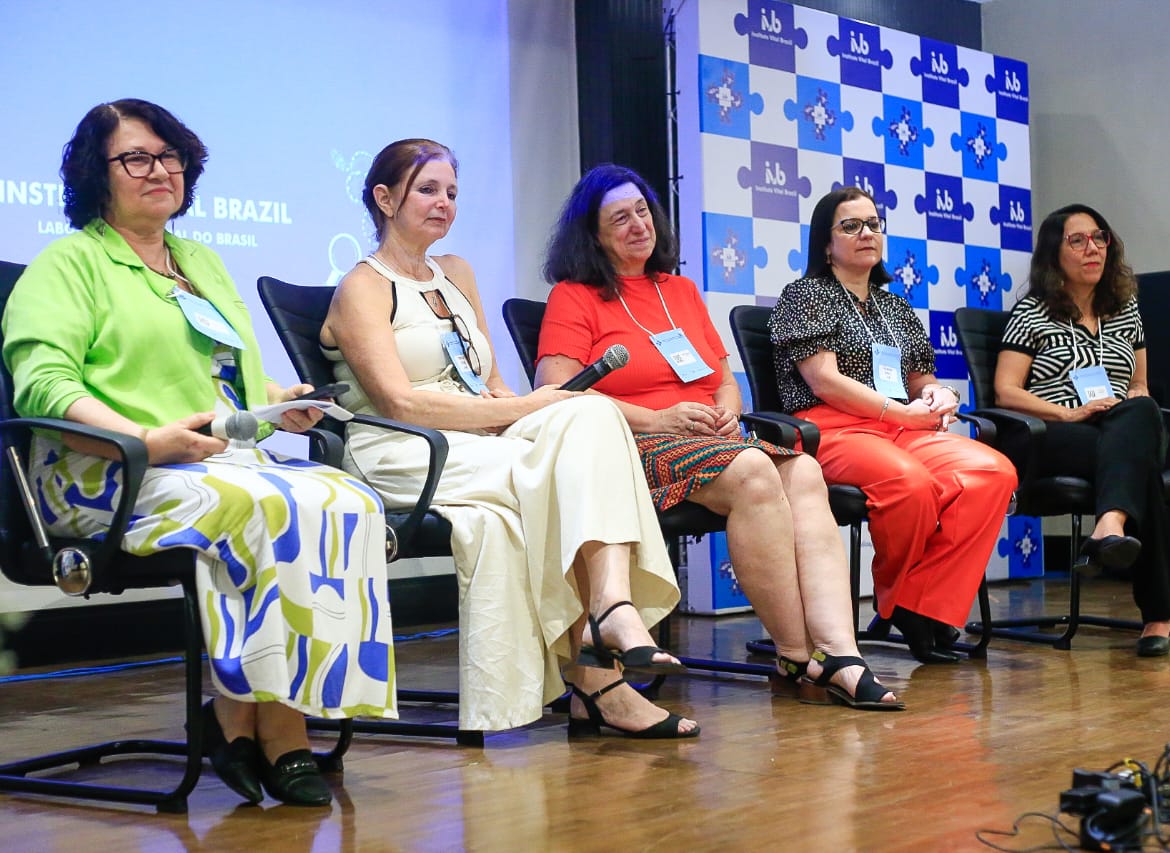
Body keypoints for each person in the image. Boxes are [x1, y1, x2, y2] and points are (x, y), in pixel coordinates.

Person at [0, 99, 394, 807]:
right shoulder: (68, 265)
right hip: (105, 472)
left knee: (346, 497)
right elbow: (45, 386)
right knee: (258, 502)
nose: (160, 170)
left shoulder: (201, 262)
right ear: (98, 174)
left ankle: (244, 714)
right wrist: (143, 439)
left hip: (212, 460)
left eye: (170, 155)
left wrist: (279, 399)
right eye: (137, 158)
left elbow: (222, 378)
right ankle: (281, 728)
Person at [321, 140, 697, 738]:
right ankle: (601, 674)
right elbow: (400, 402)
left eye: (451, 192)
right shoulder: (361, 286)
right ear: (384, 198)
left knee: (592, 415)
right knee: (564, 468)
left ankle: (610, 612)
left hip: (480, 438)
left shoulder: (458, 273)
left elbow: (489, 382)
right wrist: (528, 408)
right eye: (427, 190)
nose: (443, 203)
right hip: (407, 449)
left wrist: (523, 409)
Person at [537, 164, 903, 710]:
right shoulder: (576, 296)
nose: (638, 225)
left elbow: (721, 381)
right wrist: (659, 420)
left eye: (643, 211)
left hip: (709, 440)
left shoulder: (678, 290)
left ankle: (839, 652)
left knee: (804, 469)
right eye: (620, 218)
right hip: (628, 443)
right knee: (755, 472)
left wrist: (729, 414)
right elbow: (557, 393)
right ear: (593, 234)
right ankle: (797, 654)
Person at [769, 187, 1017, 664]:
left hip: (902, 429)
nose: (867, 233)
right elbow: (824, 381)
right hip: (832, 429)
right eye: (851, 225)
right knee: (910, 483)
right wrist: (897, 411)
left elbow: (921, 378)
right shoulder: (805, 295)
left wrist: (939, 396)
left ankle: (916, 602)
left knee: (995, 473)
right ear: (825, 242)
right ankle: (908, 603)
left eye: (874, 223)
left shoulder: (895, 307)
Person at [994, 203, 1170, 657]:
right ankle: (1159, 614)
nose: (1092, 248)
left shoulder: (1125, 309)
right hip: (1055, 432)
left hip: (1117, 427)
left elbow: (1138, 383)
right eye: (1078, 240)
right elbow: (1005, 392)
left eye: (1099, 237)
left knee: (1140, 413)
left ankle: (1108, 527)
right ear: (1055, 255)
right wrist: (1070, 413)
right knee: (1141, 468)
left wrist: (1135, 398)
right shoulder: (1032, 313)